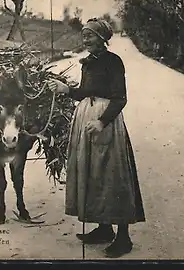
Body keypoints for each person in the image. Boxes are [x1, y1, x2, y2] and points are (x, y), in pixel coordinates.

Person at [47, 18, 145, 258]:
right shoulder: (88, 63)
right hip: (85, 120)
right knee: (93, 172)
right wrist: (67, 90)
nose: (85, 39)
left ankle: (123, 238)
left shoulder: (113, 62)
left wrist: (102, 121)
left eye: (89, 35)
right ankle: (104, 229)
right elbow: (85, 92)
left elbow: (120, 98)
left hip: (106, 122)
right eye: (84, 35)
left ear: (102, 38)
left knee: (113, 174)